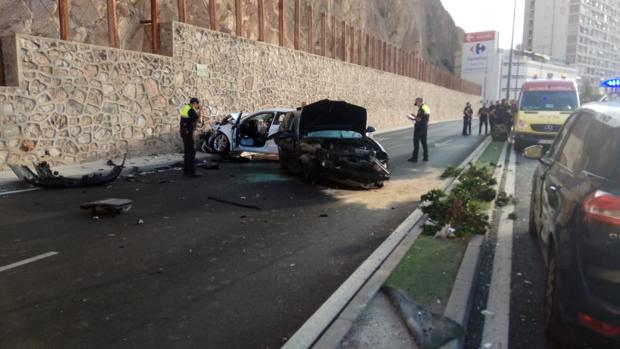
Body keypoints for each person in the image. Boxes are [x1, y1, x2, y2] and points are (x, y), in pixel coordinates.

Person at [179, 97, 203, 177]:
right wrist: (200, 111)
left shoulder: (186, 107)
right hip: (188, 132)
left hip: (184, 132)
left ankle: (186, 171)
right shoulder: (191, 110)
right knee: (191, 152)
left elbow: (190, 118)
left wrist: (197, 110)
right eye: (197, 104)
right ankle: (192, 172)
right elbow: (197, 119)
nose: (198, 106)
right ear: (194, 103)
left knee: (187, 152)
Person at [407, 97, 430, 162]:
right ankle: (426, 157)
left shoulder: (421, 109)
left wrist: (412, 118)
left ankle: (415, 158)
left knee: (416, 142)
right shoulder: (426, 107)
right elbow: (423, 117)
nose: (416, 104)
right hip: (424, 127)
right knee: (424, 142)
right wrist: (414, 116)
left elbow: (419, 119)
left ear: (419, 102)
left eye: (416, 103)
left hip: (419, 127)